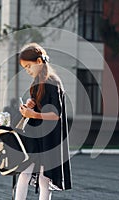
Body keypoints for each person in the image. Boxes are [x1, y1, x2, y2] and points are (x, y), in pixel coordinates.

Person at [15, 43, 72, 200]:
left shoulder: (53, 82)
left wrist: (33, 115)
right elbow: (37, 108)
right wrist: (29, 106)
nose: (27, 70)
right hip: (36, 136)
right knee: (24, 173)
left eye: (28, 66)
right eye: (25, 67)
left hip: (49, 138)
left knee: (44, 178)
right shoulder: (36, 83)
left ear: (39, 61)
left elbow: (55, 115)